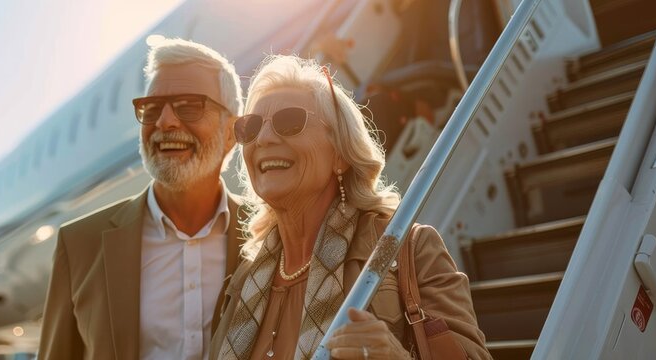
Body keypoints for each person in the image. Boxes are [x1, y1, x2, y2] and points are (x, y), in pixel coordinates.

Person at [210, 55, 491, 359]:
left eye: (289, 121)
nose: (263, 138)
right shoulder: (242, 278)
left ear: (340, 154)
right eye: (250, 127)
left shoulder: (406, 248)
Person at [39, 38, 244, 360]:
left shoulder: (270, 236)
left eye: (189, 105)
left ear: (231, 132)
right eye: (151, 109)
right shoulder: (79, 244)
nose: (165, 122)